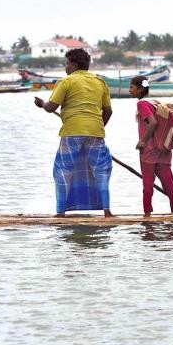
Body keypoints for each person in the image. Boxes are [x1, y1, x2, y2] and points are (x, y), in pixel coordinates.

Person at [34, 48, 114, 218]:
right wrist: (97, 128)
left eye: (67, 63)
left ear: (74, 64)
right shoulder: (100, 82)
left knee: (63, 170)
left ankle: (60, 213)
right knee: (101, 170)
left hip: (72, 131)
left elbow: (51, 107)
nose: (66, 67)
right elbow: (108, 111)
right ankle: (107, 211)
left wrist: (42, 104)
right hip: (96, 132)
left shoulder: (66, 82)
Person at [128, 75, 173, 217]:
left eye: (131, 87)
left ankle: (147, 214)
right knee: (169, 183)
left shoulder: (142, 104)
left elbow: (152, 123)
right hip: (163, 149)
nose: (129, 90)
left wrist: (142, 141)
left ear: (140, 89)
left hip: (150, 151)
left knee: (147, 184)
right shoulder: (155, 102)